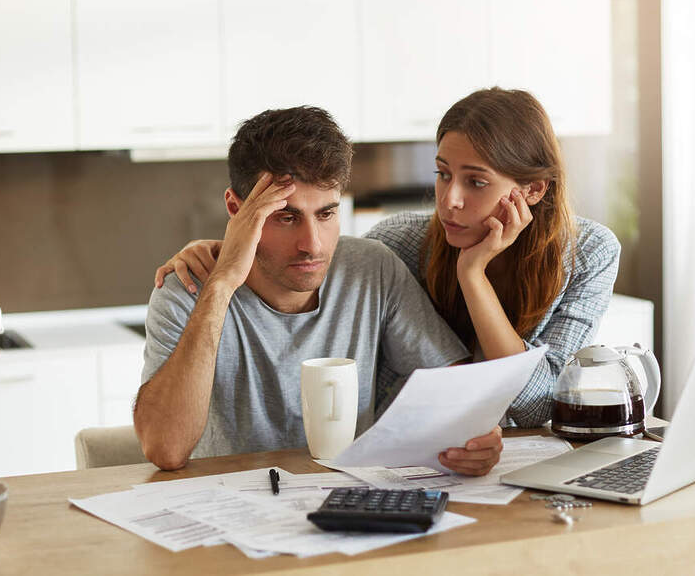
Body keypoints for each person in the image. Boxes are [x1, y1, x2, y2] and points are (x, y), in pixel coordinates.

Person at [155, 88, 621, 428]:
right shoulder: (397, 243)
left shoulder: (588, 254)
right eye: (441, 175)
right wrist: (225, 253)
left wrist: (472, 275)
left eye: (475, 182)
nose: (450, 200)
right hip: (415, 453)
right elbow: (312, 260)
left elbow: (535, 405)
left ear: (533, 190)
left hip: (502, 450)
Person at [134, 106, 504, 474]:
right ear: (236, 208)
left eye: (326, 214)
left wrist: (475, 439)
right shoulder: (186, 287)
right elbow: (166, 450)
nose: (312, 244)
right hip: (228, 509)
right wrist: (222, 284)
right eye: (286, 217)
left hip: (348, 504)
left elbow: (458, 394)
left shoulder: (372, 269)